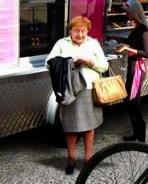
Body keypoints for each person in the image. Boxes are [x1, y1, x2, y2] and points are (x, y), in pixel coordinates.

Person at [47, 16, 109, 175]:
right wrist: (69, 63)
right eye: (76, 31)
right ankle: (71, 158)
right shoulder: (61, 43)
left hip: (89, 89)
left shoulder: (93, 43)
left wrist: (90, 62)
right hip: (69, 91)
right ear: (70, 31)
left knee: (89, 126)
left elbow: (104, 66)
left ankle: (89, 159)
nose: (80, 34)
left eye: (83, 31)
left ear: (87, 31)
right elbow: (48, 63)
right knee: (70, 127)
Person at [115, 0, 148, 142]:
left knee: (134, 101)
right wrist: (115, 39)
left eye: (128, 12)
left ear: (135, 12)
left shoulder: (143, 29)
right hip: (132, 67)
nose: (126, 14)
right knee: (129, 100)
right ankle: (136, 132)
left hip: (137, 69)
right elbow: (131, 42)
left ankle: (140, 135)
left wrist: (127, 48)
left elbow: (147, 53)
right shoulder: (137, 27)